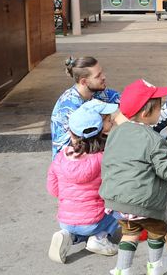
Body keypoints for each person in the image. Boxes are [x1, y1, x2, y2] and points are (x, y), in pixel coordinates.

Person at [101, 79, 167, 275]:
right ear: (146, 113)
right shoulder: (153, 139)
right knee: (156, 231)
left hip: (116, 200)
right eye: (159, 107)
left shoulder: (115, 133)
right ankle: (155, 267)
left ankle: (122, 269)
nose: (161, 109)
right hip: (145, 202)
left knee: (129, 233)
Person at [47, 102, 119, 264]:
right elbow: (114, 188)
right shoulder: (103, 158)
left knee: (79, 223)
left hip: (65, 219)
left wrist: (69, 197)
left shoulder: (60, 157)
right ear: (101, 132)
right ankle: (100, 237)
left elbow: (52, 188)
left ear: (71, 134)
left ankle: (69, 236)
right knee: (118, 209)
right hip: (94, 220)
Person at [51, 56, 120, 159]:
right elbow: (76, 145)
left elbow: (124, 99)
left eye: (102, 72)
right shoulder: (70, 107)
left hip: (90, 150)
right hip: (73, 161)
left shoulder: (97, 91)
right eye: (98, 76)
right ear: (84, 82)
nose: (104, 77)